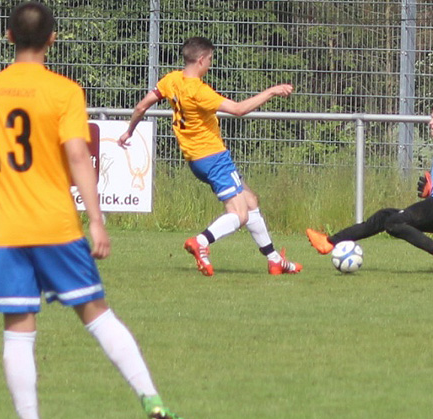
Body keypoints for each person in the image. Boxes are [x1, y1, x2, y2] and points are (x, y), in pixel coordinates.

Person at [0, 1, 188, 419]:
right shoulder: (64, 91)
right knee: (96, 313)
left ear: (8, 37)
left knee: (18, 326)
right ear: (53, 39)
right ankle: (151, 400)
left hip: (9, 230)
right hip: (56, 226)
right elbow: (76, 156)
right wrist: (97, 220)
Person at [117, 36, 301, 277]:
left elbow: (142, 107)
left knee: (250, 201)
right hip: (214, 157)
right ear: (202, 59)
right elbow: (239, 110)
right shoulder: (200, 92)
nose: (211, 65)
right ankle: (201, 241)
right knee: (240, 214)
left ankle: (274, 259)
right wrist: (272, 91)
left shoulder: (171, 80)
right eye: (210, 60)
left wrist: (129, 131)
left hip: (196, 160)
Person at [307, 101, 433, 263]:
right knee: (385, 216)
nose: (430, 122)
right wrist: (431, 192)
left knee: (393, 223)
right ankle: (329, 243)